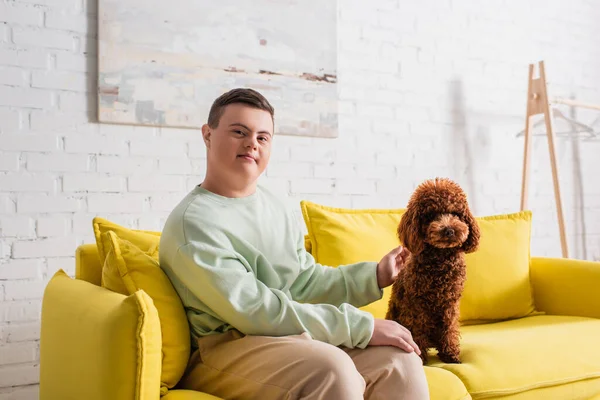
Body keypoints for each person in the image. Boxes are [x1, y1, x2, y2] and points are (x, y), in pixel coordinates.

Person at [159, 88, 430, 400]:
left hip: (286, 338)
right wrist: (361, 327)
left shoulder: (277, 203)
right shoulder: (194, 224)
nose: (252, 143)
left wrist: (375, 276)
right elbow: (256, 311)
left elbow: (302, 282)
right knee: (332, 370)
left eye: (263, 137)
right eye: (239, 132)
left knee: (399, 360)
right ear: (208, 135)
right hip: (225, 348)